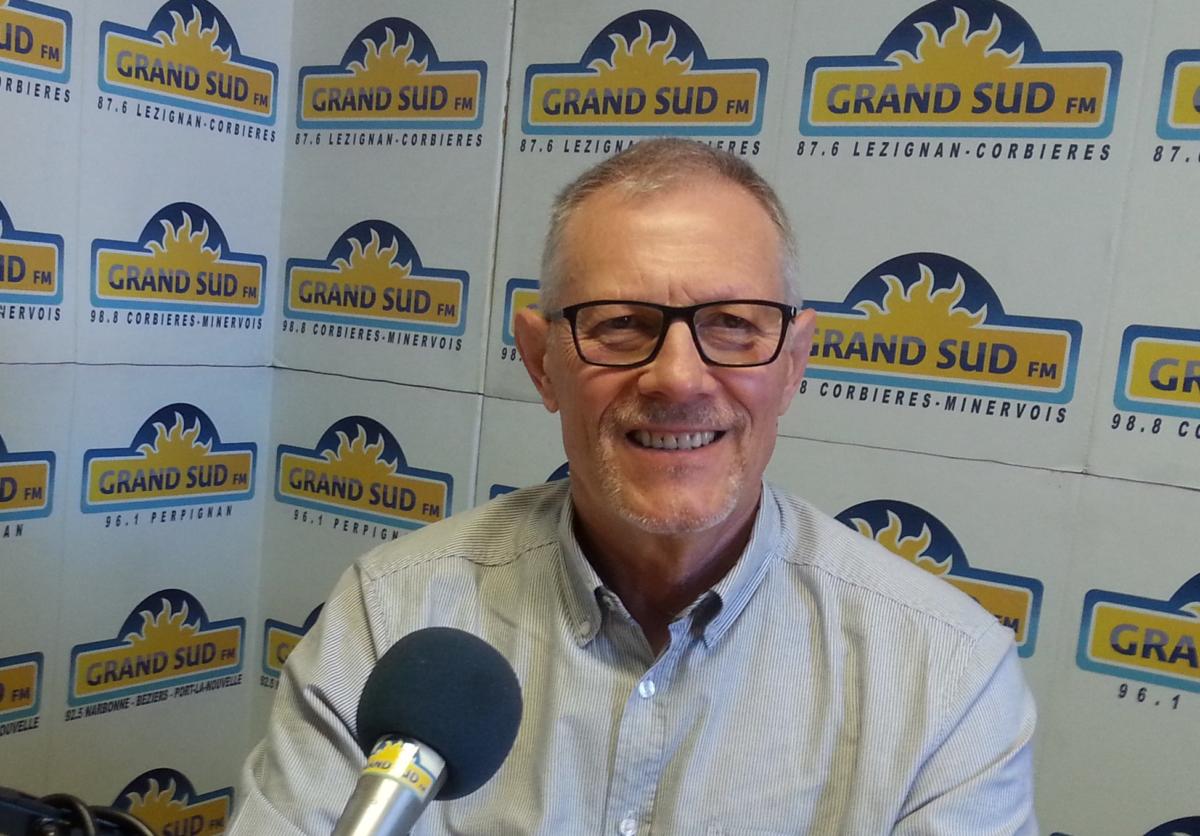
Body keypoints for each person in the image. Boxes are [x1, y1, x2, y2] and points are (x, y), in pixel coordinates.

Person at [232, 139, 1036, 834]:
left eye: (733, 324)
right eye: (620, 323)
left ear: (793, 364)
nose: (679, 378)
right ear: (542, 361)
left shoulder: (947, 677)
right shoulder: (386, 619)